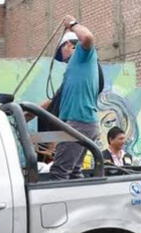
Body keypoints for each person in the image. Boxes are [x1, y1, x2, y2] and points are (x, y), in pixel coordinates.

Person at [47, 15, 101, 180]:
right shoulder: (74, 69)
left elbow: (87, 37)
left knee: (59, 174)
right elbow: (53, 100)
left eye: (60, 52)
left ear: (69, 44)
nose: (61, 59)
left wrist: (72, 24)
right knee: (74, 173)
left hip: (79, 122)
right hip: (83, 123)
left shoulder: (82, 55)